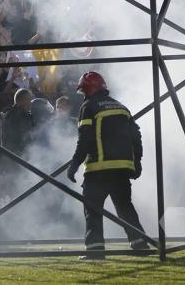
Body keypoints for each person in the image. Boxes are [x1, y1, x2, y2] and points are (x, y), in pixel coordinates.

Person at [66, 71, 148, 260]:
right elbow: (136, 137)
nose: (83, 95)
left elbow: (84, 140)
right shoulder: (122, 107)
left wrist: (74, 165)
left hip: (98, 170)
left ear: (88, 89)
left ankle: (95, 250)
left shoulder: (89, 106)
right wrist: (137, 163)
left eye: (83, 91)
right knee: (125, 208)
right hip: (121, 169)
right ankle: (140, 245)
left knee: (92, 210)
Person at [0, 88, 34, 158]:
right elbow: (26, 138)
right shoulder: (22, 115)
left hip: (6, 157)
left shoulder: (6, 115)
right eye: (29, 99)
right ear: (22, 100)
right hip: (19, 157)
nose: (31, 102)